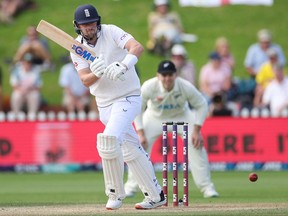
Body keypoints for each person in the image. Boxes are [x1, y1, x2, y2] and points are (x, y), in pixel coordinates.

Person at [70, 4, 165, 210]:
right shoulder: (77, 48)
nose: (90, 27)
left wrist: (123, 65)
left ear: (98, 22)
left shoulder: (112, 31)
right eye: (85, 25)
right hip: (104, 103)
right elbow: (85, 81)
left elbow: (136, 47)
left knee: (109, 139)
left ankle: (115, 194)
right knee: (130, 149)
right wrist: (97, 72)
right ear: (78, 26)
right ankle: (156, 196)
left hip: (128, 96)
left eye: (92, 23)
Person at [124, 60, 219, 199]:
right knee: (138, 147)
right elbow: (137, 108)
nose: (167, 78)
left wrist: (197, 131)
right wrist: (140, 133)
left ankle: (207, 188)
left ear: (176, 75)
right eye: (164, 75)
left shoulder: (185, 86)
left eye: (170, 75)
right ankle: (131, 187)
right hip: (154, 117)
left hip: (182, 116)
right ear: (158, 76)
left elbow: (202, 105)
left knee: (196, 145)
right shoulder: (149, 86)